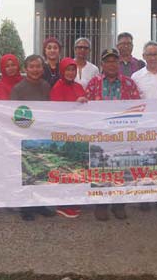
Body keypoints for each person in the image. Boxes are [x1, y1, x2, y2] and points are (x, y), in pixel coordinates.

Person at [86, 48, 141, 221]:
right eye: (107, 61)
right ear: (102, 64)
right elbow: (85, 108)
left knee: (122, 168)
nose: (111, 64)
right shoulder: (94, 83)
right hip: (100, 135)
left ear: (119, 63)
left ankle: (119, 204)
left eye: (114, 61)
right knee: (101, 168)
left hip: (122, 135)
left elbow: (138, 108)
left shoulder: (129, 83)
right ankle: (101, 205)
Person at [11, 54, 57, 221]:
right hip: (24, 135)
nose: (35, 70)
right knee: (26, 171)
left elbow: (50, 110)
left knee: (41, 170)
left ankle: (40, 204)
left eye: (38, 66)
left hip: (41, 135)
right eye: (32, 66)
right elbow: (13, 115)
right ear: (25, 69)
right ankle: (26, 207)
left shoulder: (46, 86)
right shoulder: (18, 89)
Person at [132, 40, 157, 213]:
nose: (153, 57)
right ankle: (144, 197)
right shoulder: (136, 76)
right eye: (149, 54)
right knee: (144, 160)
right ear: (143, 57)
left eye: (156, 54)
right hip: (142, 126)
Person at [50, 57, 88, 218]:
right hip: (64, 135)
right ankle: (63, 203)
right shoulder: (57, 87)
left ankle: (74, 199)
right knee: (65, 168)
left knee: (77, 167)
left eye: (73, 70)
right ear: (62, 71)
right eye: (67, 70)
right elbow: (57, 111)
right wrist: (75, 102)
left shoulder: (79, 86)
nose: (70, 73)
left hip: (78, 133)